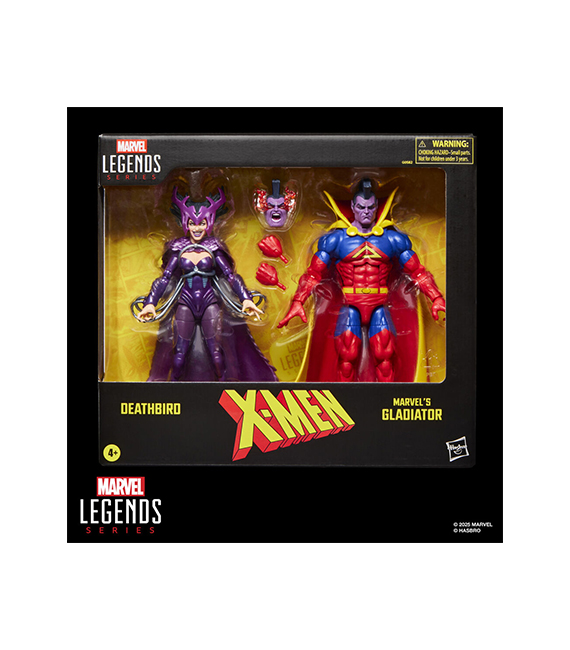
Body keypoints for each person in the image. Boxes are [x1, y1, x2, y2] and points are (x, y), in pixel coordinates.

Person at [278, 179, 445, 382]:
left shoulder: (392, 239)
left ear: (376, 207)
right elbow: (314, 273)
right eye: (361, 207)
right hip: (350, 305)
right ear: (353, 207)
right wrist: (298, 301)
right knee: (346, 357)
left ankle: (386, 398)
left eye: (370, 207)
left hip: (379, 305)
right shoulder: (336, 239)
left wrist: (436, 297)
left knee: (385, 357)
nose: (366, 212)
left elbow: (417, 271)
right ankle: (344, 398)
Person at [134, 186, 277, 382]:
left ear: (208, 222)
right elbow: (165, 277)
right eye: (192, 223)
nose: (197, 228)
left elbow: (230, 276)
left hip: (209, 302)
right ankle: (174, 389)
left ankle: (222, 388)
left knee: (216, 353)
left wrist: (245, 299)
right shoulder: (178, 248)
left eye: (201, 223)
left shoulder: (214, 248)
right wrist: (150, 303)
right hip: (185, 302)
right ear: (185, 223)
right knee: (179, 354)